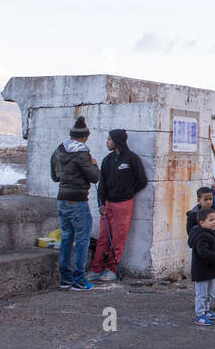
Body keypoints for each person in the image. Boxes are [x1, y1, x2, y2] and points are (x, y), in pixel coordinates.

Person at [92, 128, 149, 281]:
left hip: (123, 204)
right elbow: (102, 183)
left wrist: (127, 192)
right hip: (107, 204)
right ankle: (96, 268)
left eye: (109, 139)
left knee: (118, 238)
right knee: (103, 237)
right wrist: (101, 202)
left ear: (117, 141)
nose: (107, 142)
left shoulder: (132, 159)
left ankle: (112, 268)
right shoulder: (107, 160)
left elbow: (141, 180)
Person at [51, 117, 101, 291]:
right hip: (78, 200)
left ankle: (65, 279)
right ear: (85, 137)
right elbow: (94, 177)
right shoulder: (82, 153)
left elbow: (54, 176)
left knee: (66, 238)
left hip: (62, 199)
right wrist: (95, 165)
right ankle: (79, 280)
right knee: (82, 240)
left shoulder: (59, 150)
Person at [186, 187, 215, 312]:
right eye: (205, 199)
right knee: (203, 283)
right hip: (203, 250)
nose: (209, 202)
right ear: (199, 200)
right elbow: (191, 232)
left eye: (210, 199)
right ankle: (202, 310)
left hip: (214, 247)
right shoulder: (193, 215)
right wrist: (201, 241)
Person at [188, 206, 215, 327]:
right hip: (202, 271)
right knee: (202, 294)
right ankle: (200, 315)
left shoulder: (211, 234)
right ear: (202, 223)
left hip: (211, 270)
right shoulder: (202, 236)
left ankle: (206, 310)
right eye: (211, 220)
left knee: (209, 292)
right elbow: (203, 253)